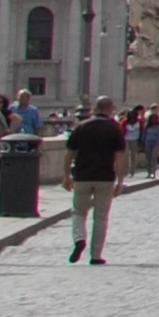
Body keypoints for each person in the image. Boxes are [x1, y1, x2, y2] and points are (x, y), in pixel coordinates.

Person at [64, 96, 127, 265]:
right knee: (101, 217)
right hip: (105, 177)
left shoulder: (81, 127)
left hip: (82, 176)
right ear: (110, 109)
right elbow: (120, 157)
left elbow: (69, 153)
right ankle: (96, 255)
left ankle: (79, 238)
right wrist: (120, 180)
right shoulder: (115, 129)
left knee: (78, 212)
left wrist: (66, 175)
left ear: (94, 109)